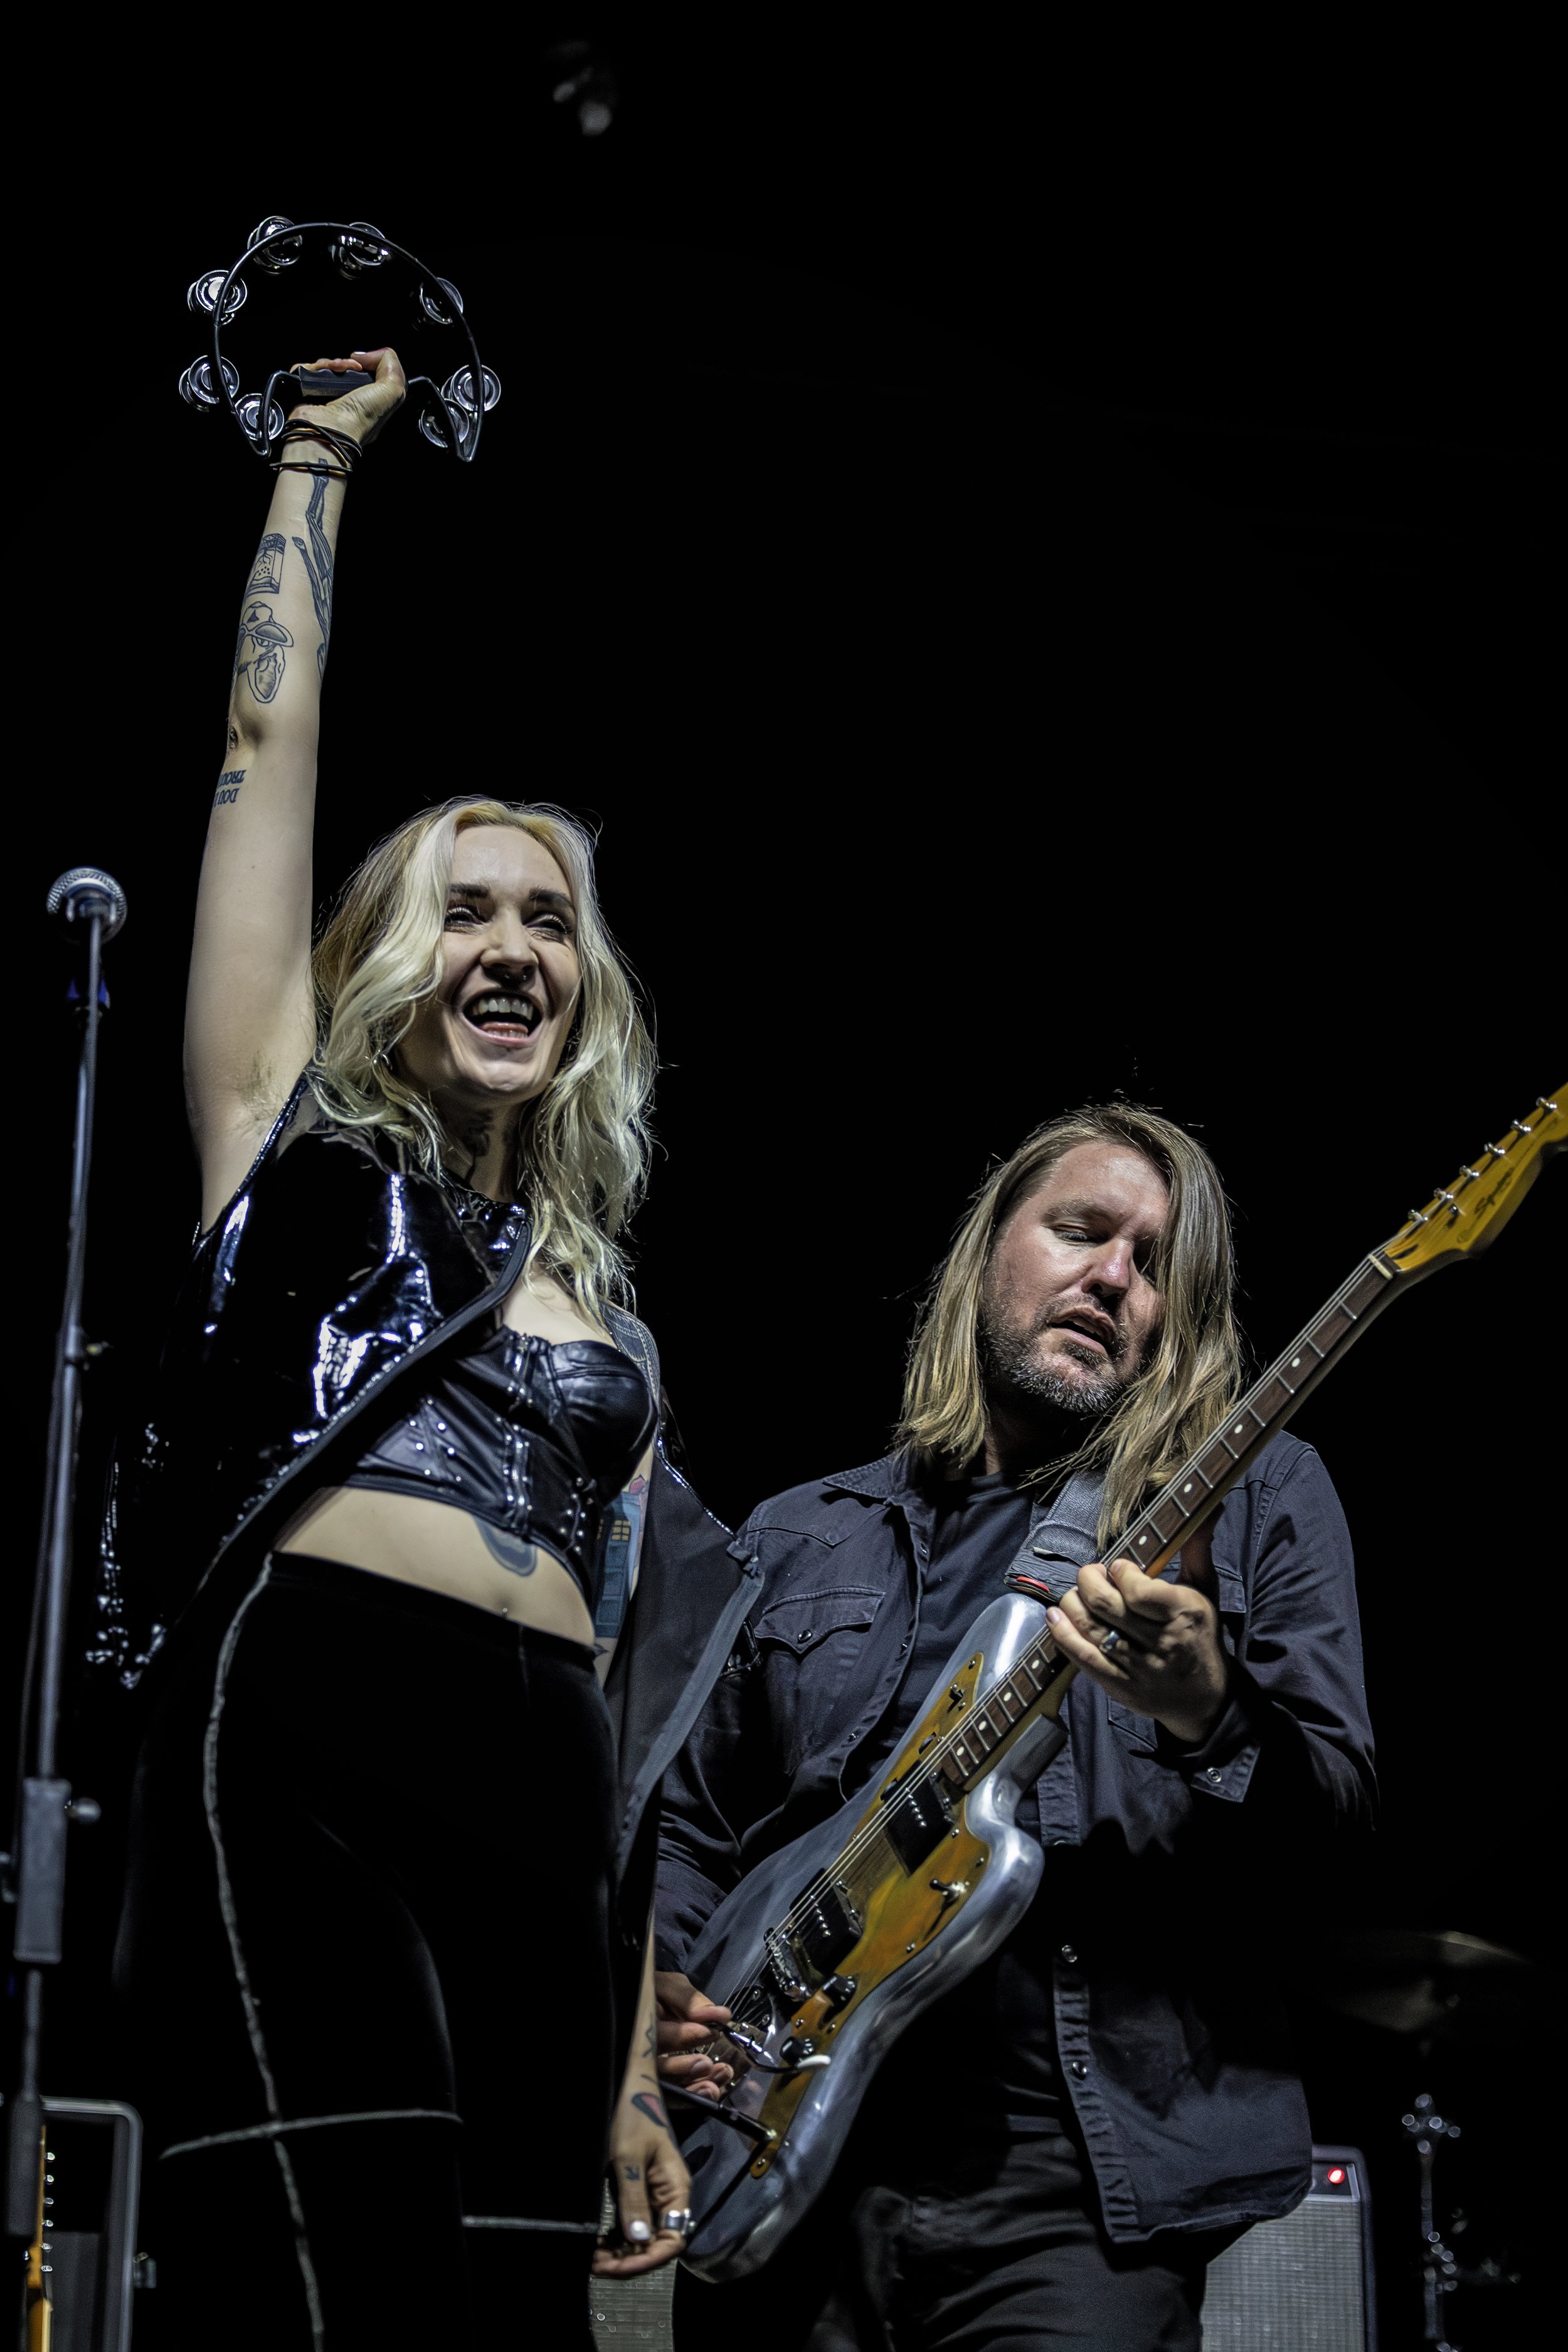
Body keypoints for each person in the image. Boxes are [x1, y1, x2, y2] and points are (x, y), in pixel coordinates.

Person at [102, 350, 755, 2349]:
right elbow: (262, 730)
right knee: (341, 2278)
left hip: (542, 1786)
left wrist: (630, 2066)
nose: (513, 947)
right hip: (318, 1722)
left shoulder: (609, 1317)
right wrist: (315, 454)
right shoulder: (283, 1144)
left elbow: (632, 1696)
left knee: (507, 2310)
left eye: (548, 919)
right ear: (395, 956)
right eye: (466, 910)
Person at [654, 1104, 1376, 2352]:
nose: (1113, 1278)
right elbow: (686, 1826)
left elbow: (1339, 1840)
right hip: (775, 2164)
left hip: (1070, 2200)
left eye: (1153, 1263)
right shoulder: (795, 1532)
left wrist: (1207, 1713)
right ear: (987, 1249)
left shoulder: (1251, 1498)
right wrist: (663, 1996)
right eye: (1081, 1232)